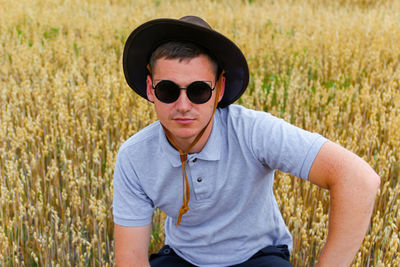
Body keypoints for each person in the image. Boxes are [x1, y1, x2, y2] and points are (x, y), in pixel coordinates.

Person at [113, 16, 380, 267]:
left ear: (219, 89)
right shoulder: (134, 156)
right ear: (150, 89)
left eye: (199, 90)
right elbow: (132, 257)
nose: (183, 106)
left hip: (257, 257)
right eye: (168, 90)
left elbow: (359, 179)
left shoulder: (253, 131)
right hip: (183, 259)